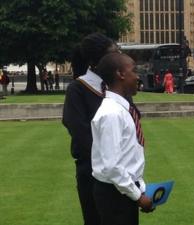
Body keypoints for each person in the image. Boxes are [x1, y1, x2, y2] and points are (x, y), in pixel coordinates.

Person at [62, 33, 119, 225]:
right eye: (113, 55)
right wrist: (108, 161)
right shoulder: (78, 89)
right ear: (97, 61)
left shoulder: (116, 87)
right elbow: (80, 132)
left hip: (121, 170)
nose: (117, 59)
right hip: (93, 171)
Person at [91, 52, 153, 225]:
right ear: (120, 74)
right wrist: (137, 196)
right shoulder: (112, 113)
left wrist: (139, 188)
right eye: (133, 70)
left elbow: (128, 156)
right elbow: (112, 165)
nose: (137, 76)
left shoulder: (121, 110)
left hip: (122, 190)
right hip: (115, 194)